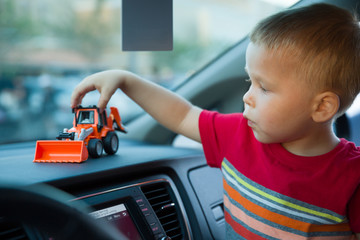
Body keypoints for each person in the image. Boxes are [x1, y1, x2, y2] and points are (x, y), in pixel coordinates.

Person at [71, 3, 360, 239]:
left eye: (264, 87)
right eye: (250, 81)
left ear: (322, 107)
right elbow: (183, 114)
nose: (247, 97)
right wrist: (127, 80)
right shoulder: (239, 134)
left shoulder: (352, 178)